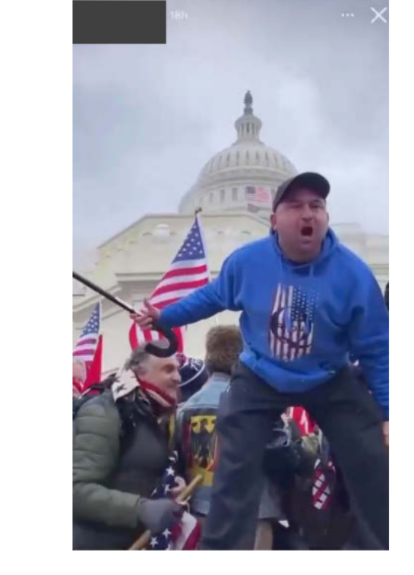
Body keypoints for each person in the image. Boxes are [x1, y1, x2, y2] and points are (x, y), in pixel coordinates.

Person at [132, 172, 389, 550]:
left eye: (316, 206)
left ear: (326, 217)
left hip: (328, 376)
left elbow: (378, 349)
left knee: (372, 458)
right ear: (274, 221)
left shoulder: (353, 275)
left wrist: (389, 413)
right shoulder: (248, 262)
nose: (308, 214)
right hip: (261, 375)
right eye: (296, 206)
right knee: (234, 462)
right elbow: (212, 296)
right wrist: (165, 317)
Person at [175, 325, 286, 550]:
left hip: (200, 511)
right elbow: (279, 451)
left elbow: (178, 458)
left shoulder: (184, 409)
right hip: (252, 512)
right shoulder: (255, 405)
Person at [72, 345, 186, 550]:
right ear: (140, 372)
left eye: (177, 369)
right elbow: (76, 490)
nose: (178, 377)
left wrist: (170, 483)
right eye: (168, 369)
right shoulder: (104, 412)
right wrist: (140, 509)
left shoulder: (155, 414)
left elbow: (139, 470)